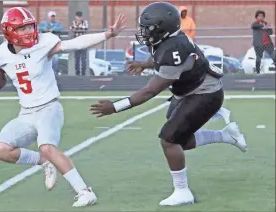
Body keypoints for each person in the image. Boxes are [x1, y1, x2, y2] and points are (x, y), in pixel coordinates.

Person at [90, 2, 247, 206]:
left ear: (162, 29)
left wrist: (115, 107)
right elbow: (158, 55)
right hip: (188, 91)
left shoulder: (175, 49)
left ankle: (183, 191)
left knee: (169, 139)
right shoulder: (167, 40)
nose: (144, 32)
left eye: (148, 28)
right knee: (181, 140)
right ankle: (225, 135)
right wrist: (144, 64)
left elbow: (150, 91)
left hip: (205, 94)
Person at [0, 7, 126, 207]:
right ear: (9, 32)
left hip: (49, 108)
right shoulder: (0, 55)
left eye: (30, 26)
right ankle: (44, 162)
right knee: (1, 149)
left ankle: (84, 191)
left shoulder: (43, 43)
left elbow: (74, 44)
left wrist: (107, 34)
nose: (29, 32)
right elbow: (3, 74)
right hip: (26, 113)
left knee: (48, 146)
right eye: (22, 29)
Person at [70, 11, 89, 76]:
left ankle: (83, 73)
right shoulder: (73, 22)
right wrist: (78, 26)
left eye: (80, 16)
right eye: (78, 16)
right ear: (76, 17)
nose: (79, 18)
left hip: (84, 42)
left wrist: (77, 28)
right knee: (77, 59)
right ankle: (77, 73)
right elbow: (73, 29)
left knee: (83, 59)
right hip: (76, 43)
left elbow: (85, 28)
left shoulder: (85, 22)